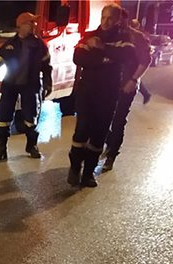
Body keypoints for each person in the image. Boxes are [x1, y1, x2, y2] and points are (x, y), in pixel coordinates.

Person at [67, 4, 136, 187]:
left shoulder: (124, 38)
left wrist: (100, 48)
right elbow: (78, 58)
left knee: (99, 134)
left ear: (118, 20)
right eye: (103, 17)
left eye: (110, 18)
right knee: (82, 130)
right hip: (87, 91)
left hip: (108, 93)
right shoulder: (89, 35)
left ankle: (88, 173)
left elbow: (126, 55)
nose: (105, 22)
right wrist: (106, 59)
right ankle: (75, 168)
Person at [0, 12, 52, 162]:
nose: (34, 25)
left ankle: (32, 146)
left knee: (31, 116)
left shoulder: (39, 45)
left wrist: (48, 83)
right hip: (10, 85)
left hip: (30, 85)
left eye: (34, 23)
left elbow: (46, 66)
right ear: (21, 26)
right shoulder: (10, 44)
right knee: (4, 116)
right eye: (31, 23)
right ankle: (1, 149)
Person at [103, 13, 152, 171]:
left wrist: (133, 79)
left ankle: (111, 155)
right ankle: (109, 143)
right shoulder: (108, 34)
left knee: (118, 121)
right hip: (108, 85)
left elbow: (145, 60)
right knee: (102, 118)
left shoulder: (136, 37)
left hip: (126, 86)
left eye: (118, 20)